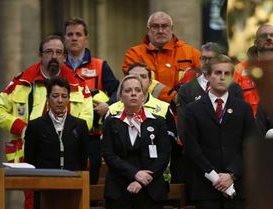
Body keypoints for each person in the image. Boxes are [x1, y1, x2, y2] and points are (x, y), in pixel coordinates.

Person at [0, 34, 93, 209]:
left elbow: (86, 121)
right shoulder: (21, 82)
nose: (54, 57)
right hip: (30, 161)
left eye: (58, 52)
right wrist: (24, 129)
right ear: (40, 55)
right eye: (49, 52)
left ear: (65, 56)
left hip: (67, 162)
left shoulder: (78, 85)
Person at [184, 54, 256, 209]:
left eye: (226, 73)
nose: (222, 77)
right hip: (206, 187)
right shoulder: (193, 110)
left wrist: (231, 175)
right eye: (217, 73)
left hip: (236, 187)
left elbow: (250, 145)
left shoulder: (243, 108)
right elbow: (192, 147)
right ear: (207, 76)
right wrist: (215, 177)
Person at [102, 74, 171, 209]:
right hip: (119, 191)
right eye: (128, 90)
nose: (133, 94)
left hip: (150, 191)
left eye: (137, 90)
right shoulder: (112, 122)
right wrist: (135, 174)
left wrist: (141, 180)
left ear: (143, 95)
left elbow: (163, 156)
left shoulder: (158, 122)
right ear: (120, 96)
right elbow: (109, 155)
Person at [64, 17, 119, 185]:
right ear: (64, 39)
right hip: (63, 135)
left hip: (92, 137)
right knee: (65, 183)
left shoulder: (100, 66)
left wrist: (108, 106)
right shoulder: (57, 66)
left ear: (86, 38)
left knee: (90, 185)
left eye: (78, 34)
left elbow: (118, 92)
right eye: (70, 34)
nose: (74, 38)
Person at [108, 62, 177, 182]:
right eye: (133, 77)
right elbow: (109, 151)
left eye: (143, 77)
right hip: (121, 178)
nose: (137, 80)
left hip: (156, 177)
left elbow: (168, 147)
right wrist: (133, 173)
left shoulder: (164, 108)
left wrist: (147, 175)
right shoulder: (113, 110)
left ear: (150, 82)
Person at [122, 11, 201, 104]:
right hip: (147, 110)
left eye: (164, 26)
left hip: (183, 111)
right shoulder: (134, 54)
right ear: (148, 30)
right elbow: (136, 81)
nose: (160, 31)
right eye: (155, 26)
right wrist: (172, 96)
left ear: (171, 29)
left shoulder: (192, 53)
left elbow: (206, 79)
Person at [24, 77, 89, 170]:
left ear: (69, 99)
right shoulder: (35, 126)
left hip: (72, 181)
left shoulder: (80, 126)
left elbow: (83, 161)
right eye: (55, 96)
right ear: (47, 98)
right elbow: (30, 162)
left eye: (64, 96)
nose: (60, 100)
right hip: (44, 181)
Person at [233, 24, 273, 117]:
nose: (268, 38)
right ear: (255, 42)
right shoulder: (239, 70)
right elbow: (230, 102)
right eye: (263, 36)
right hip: (250, 126)